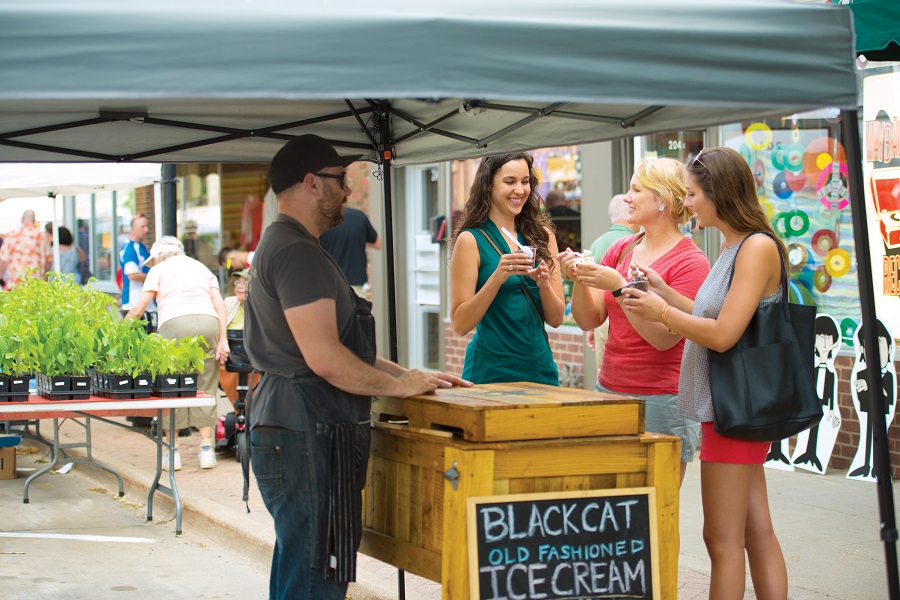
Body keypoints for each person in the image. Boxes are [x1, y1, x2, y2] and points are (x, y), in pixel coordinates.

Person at [244, 134, 470, 600]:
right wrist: (401, 387)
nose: (348, 191)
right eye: (340, 181)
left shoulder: (293, 244)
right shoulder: (296, 251)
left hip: (298, 425)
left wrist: (407, 376)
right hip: (303, 427)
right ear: (311, 183)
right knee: (314, 574)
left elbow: (346, 353)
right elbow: (327, 359)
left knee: (308, 566)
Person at [623, 147, 790, 598]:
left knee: (720, 540)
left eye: (694, 194)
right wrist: (665, 295)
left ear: (720, 193)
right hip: (732, 406)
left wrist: (662, 311)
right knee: (754, 532)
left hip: (733, 406)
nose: (689, 203)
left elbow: (722, 335)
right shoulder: (736, 245)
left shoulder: (754, 248)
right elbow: (709, 313)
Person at [559, 157, 708, 484]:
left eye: (636, 189)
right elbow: (590, 319)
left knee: (657, 507)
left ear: (663, 202)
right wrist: (580, 278)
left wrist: (618, 285)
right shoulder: (621, 248)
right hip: (609, 389)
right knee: (614, 504)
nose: (626, 197)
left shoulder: (691, 261)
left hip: (663, 400)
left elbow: (663, 338)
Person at [449, 152, 565, 386]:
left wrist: (544, 286)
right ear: (488, 185)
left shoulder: (544, 237)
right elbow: (460, 325)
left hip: (539, 371)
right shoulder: (471, 240)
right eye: (510, 182)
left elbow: (556, 318)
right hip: (490, 374)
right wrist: (497, 277)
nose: (520, 190)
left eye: (525, 182)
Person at [125, 236, 230, 471]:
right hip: (208, 323)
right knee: (206, 386)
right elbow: (219, 304)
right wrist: (223, 339)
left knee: (172, 387)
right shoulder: (201, 267)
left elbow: (139, 308)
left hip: (174, 325)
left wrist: (122, 332)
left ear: (161, 255)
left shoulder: (159, 269)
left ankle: (172, 453)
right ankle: (206, 450)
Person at [584, 193, 638, 373]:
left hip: (601, 318)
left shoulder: (597, 243)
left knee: (602, 369)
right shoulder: (634, 243)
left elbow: (591, 288)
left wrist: (592, 327)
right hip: (622, 318)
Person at [319, 206, 381, 298]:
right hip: (355, 286)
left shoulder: (321, 219)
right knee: (356, 312)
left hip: (328, 285)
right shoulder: (359, 216)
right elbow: (378, 244)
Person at [218, 269, 258, 404]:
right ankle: (239, 409)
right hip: (231, 356)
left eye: (245, 283)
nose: (239, 287)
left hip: (255, 356)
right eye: (238, 283)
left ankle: (251, 409)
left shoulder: (262, 305)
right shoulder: (228, 303)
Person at [0, 209, 48, 290]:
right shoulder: (42, 236)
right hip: (36, 282)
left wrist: (1, 276)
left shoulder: (12, 234)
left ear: (22, 219)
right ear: (34, 220)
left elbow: (3, 258)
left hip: (15, 281)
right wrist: (46, 278)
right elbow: (48, 260)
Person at [119, 214, 155, 319]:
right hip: (134, 302)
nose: (146, 230)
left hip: (143, 302)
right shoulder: (130, 249)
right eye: (142, 227)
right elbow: (132, 275)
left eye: (147, 226)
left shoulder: (140, 246)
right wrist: (156, 277)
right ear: (133, 229)